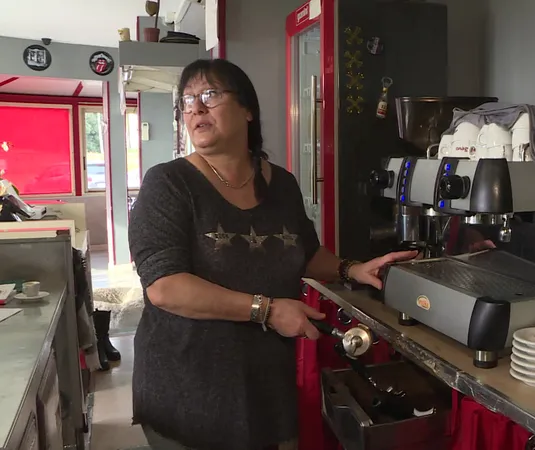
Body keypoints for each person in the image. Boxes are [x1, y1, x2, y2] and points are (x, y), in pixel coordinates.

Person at [128, 59, 416, 450]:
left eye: (210, 95)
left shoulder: (280, 183)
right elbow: (165, 287)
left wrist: (353, 268)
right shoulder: (168, 183)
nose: (195, 108)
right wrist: (267, 310)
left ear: (248, 109)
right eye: (188, 99)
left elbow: (304, 252)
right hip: (188, 388)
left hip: (265, 384)